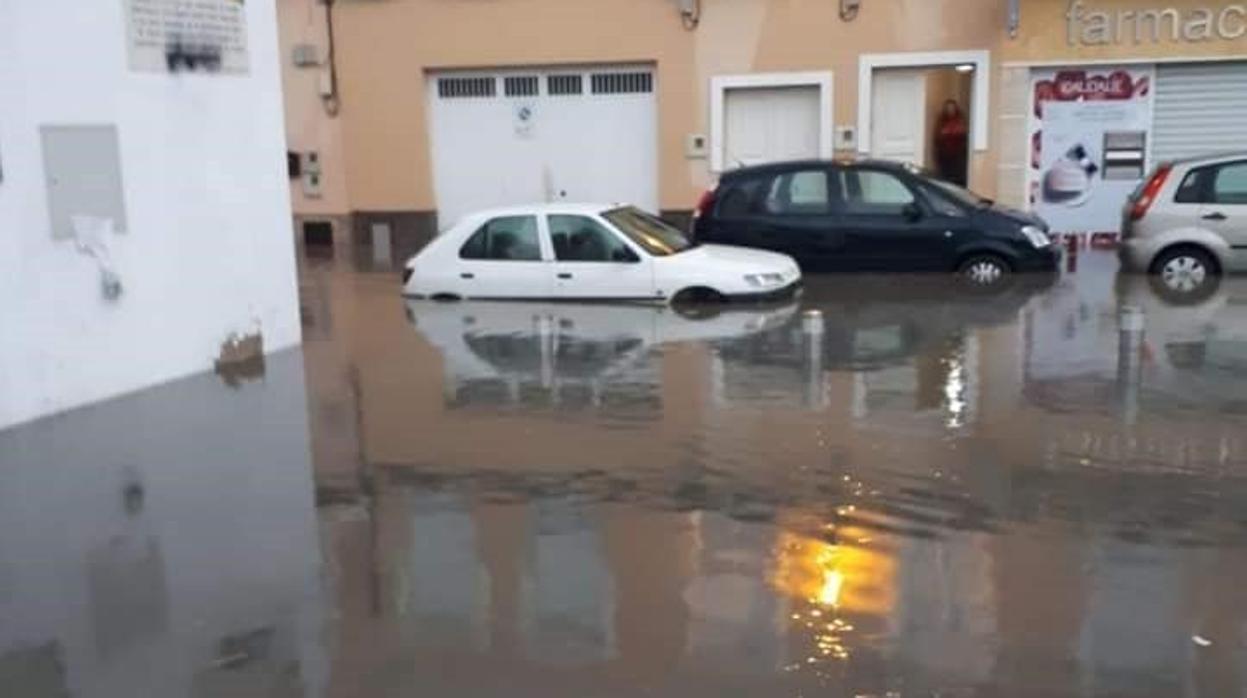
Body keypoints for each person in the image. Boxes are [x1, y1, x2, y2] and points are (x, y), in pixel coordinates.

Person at [934, 99, 969, 187]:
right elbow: (938, 135)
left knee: (958, 177)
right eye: (948, 108)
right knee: (945, 177)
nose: (950, 110)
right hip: (944, 154)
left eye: (952, 108)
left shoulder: (960, 119)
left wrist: (952, 132)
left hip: (958, 155)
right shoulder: (941, 120)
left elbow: (964, 132)